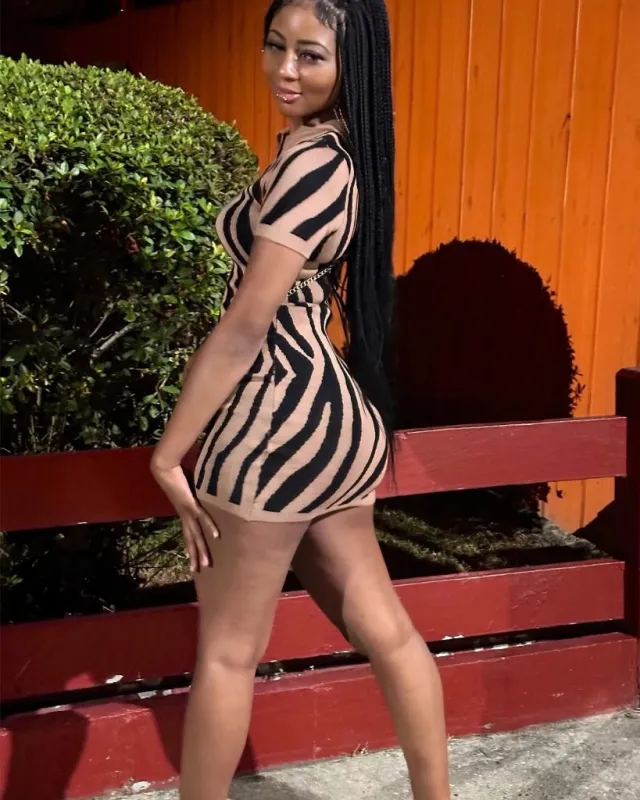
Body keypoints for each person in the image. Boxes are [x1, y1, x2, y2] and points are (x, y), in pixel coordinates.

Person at [150, 1, 451, 798]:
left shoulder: (312, 167)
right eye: (275, 46)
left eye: (310, 55)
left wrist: (170, 453)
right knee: (389, 633)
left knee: (226, 654)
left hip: (273, 422)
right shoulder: (337, 155)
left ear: (351, 64)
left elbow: (246, 326)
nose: (285, 69)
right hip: (334, 422)